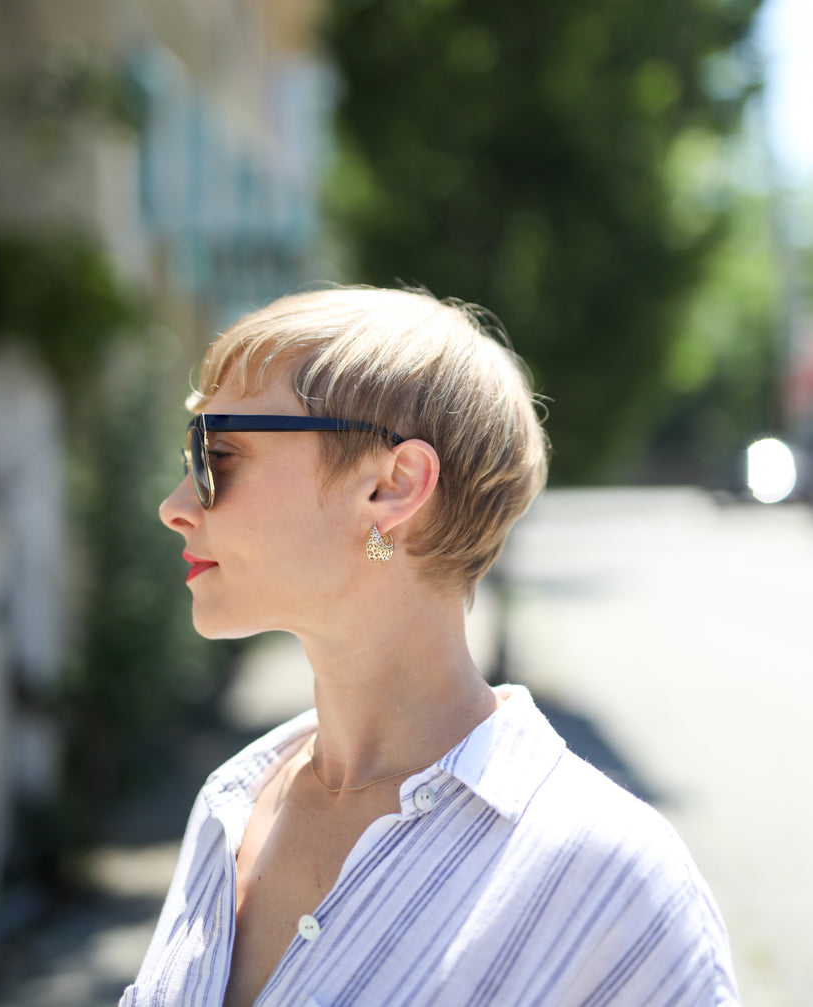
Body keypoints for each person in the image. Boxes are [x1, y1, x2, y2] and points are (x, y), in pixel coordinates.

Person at [119, 286, 740, 1007]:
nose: (175, 504)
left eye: (217, 452)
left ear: (394, 484)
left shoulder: (610, 879)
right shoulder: (229, 804)